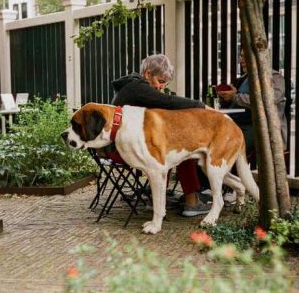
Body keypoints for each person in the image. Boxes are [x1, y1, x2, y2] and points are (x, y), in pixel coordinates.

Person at [111, 54, 212, 217]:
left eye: (165, 83)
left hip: (119, 147)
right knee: (182, 153)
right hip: (121, 152)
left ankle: (156, 199)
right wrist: (200, 106)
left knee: (167, 149)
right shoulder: (137, 87)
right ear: (147, 73)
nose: (161, 86)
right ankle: (191, 203)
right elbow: (167, 102)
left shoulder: (133, 86)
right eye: (160, 81)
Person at [217, 49, 287, 158]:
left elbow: (269, 101)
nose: (241, 60)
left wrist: (235, 97)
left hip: (257, 126)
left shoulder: (274, 77)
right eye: (241, 56)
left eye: (245, 56)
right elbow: (237, 99)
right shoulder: (243, 79)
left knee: (228, 153)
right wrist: (226, 97)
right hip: (235, 123)